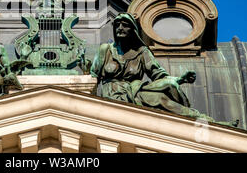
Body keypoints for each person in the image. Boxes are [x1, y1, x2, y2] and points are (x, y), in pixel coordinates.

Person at [91, 12, 238, 126]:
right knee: (158, 98)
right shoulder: (106, 50)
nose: (120, 28)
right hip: (110, 95)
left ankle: (206, 121)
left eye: (125, 25)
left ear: (133, 30)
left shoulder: (142, 52)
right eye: (117, 25)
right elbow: (93, 76)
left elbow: (158, 74)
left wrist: (180, 79)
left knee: (161, 97)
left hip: (134, 91)